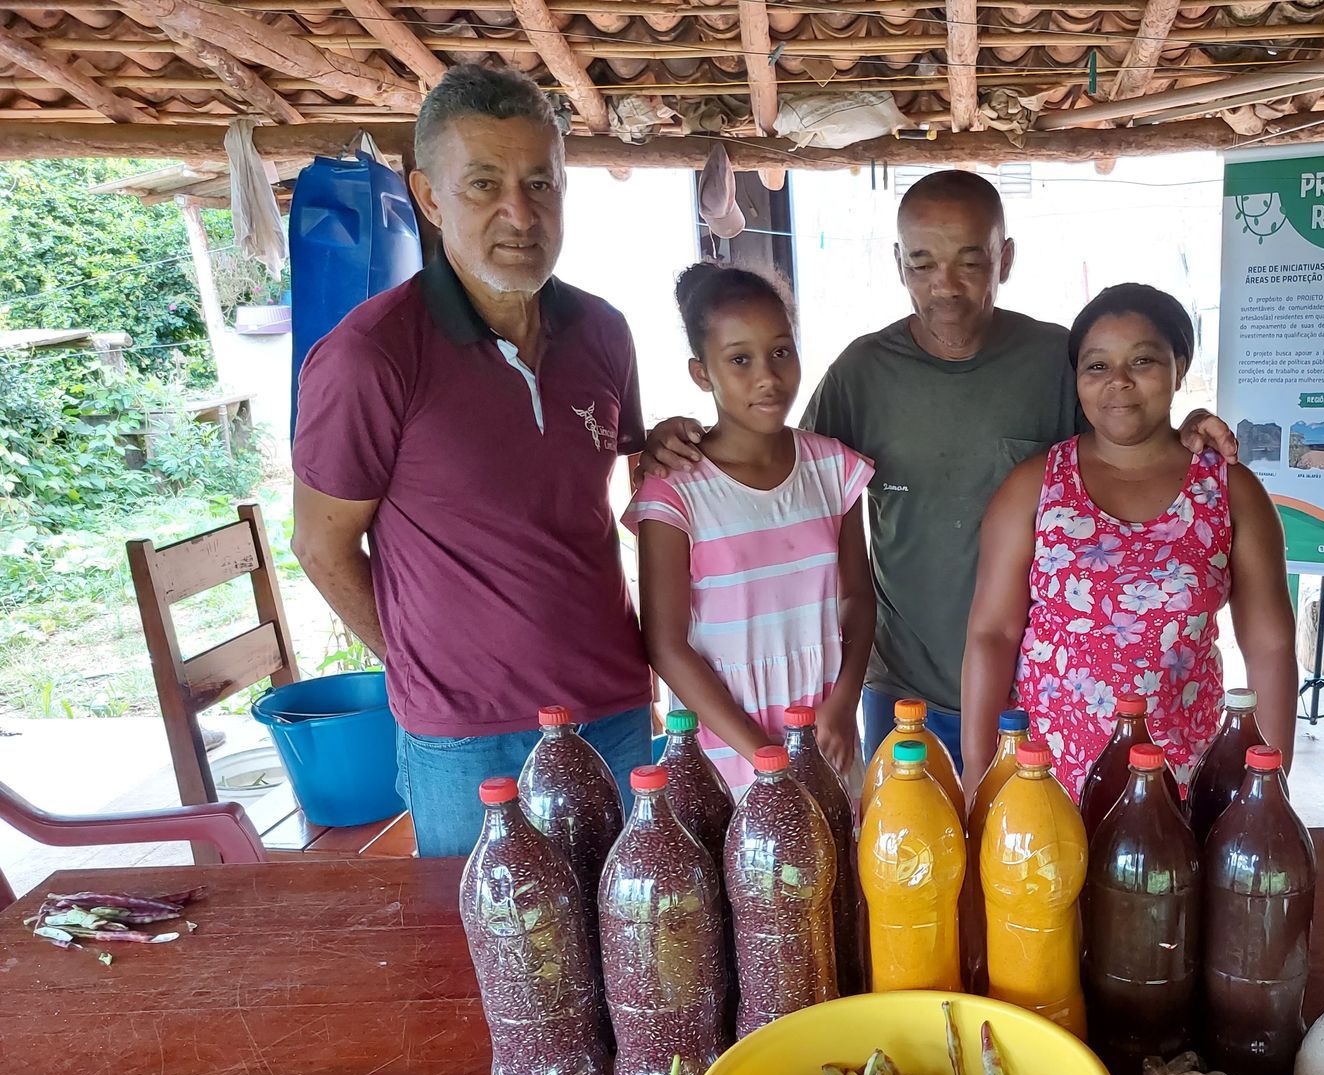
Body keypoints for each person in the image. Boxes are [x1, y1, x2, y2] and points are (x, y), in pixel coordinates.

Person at [646, 170, 1234, 775]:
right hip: (901, 694)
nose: (945, 286)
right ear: (898, 263)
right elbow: (779, 462)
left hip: (1033, 695)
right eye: (922, 263)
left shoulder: (1057, 363)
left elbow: (1129, 434)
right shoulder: (862, 375)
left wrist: (1186, 429)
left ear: (1005, 259)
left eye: (970, 262)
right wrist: (673, 439)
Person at [291, 64, 655, 857]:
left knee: (641, 919)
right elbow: (320, 546)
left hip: (614, 710)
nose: (519, 214)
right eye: (484, 184)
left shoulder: (603, 332)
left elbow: (634, 484)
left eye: (540, 183)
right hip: (467, 739)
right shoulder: (370, 356)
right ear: (428, 196)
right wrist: (424, 667)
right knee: (486, 934)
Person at [961, 284, 1298, 799]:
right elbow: (993, 633)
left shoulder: (1230, 491)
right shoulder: (1035, 486)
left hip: (1181, 782)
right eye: (1097, 366)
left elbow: (1269, 646)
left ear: (1179, 368)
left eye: (1143, 360)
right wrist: (977, 769)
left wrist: (1269, 784)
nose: (1118, 380)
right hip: (1044, 785)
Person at [626, 263, 875, 793]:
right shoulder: (675, 489)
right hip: (725, 752)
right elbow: (665, 644)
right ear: (702, 374)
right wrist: (764, 754)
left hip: (827, 737)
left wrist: (843, 702)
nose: (768, 377)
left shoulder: (834, 470)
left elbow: (858, 597)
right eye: (740, 359)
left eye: (781, 352)